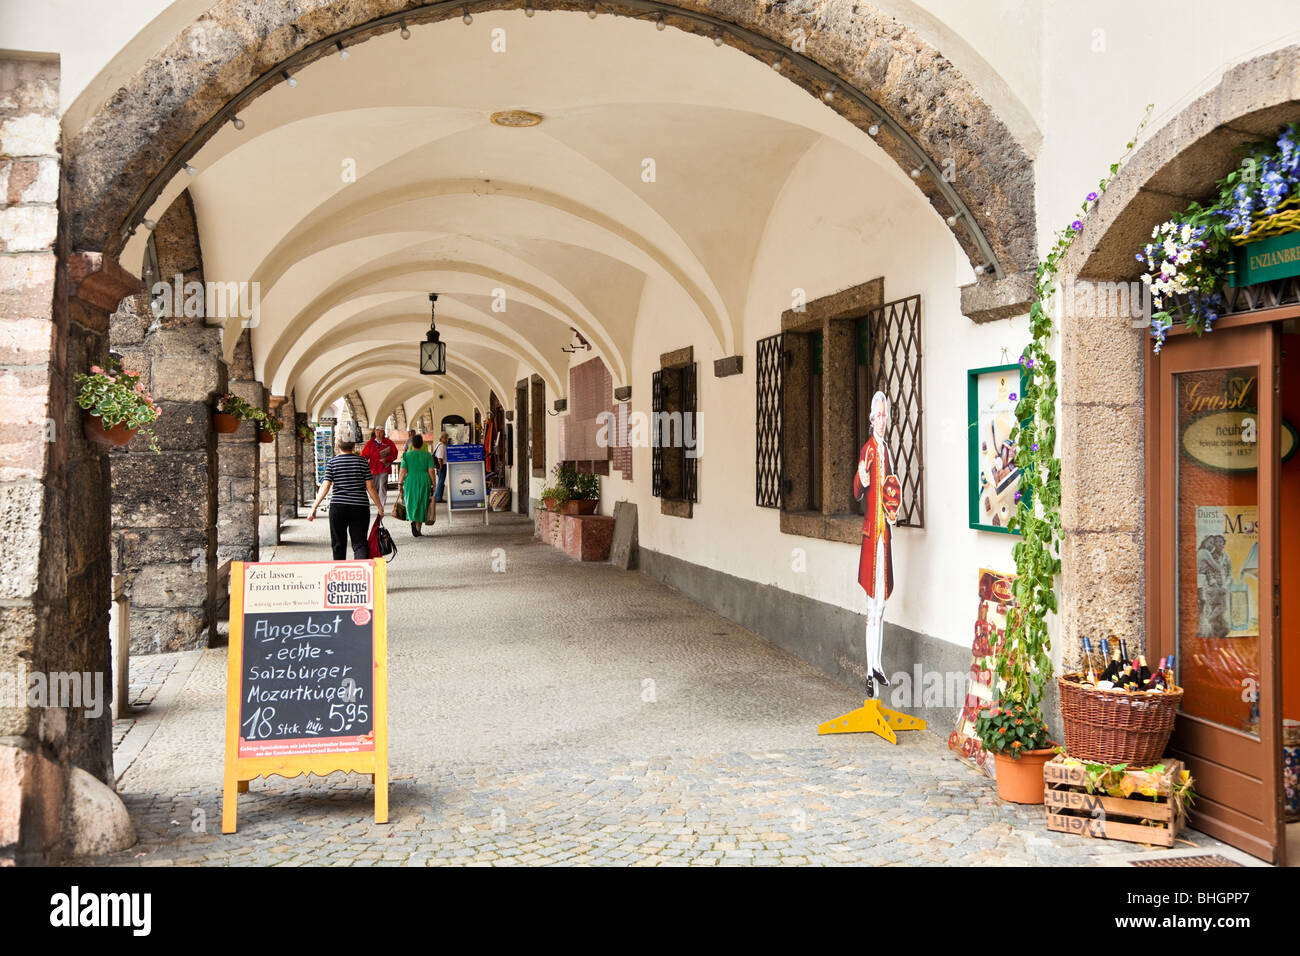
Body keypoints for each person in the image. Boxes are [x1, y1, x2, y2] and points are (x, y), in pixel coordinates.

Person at [853, 391, 900, 699]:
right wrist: (861, 476)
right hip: (873, 536)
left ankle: (878, 664)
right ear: (871, 419)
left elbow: (890, 491)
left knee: (882, 605)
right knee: (872, 606)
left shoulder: (886, 449)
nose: (882, 421)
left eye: (885, 416)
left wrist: (893, 509)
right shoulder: (869, 449)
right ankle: (869, 670)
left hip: (885, 537)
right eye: (878, 416)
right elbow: (857, 489)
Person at [309, 421, 383, 559]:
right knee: (360, 543)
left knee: (338, 543)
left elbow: (325, 486)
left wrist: (314, 507)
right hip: (360, 507)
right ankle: (360, 574)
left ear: (337, 445)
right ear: (353, 445)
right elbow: (370, 487)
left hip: (338, 507)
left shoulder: (332, 463)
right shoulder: (362, 462)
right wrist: (379, 507)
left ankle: (340, 573)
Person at [399, 433, 437, 536]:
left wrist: (400, 483)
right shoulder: (427, 455)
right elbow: (431, 471)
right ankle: (418, 529)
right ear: (421, 444)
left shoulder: (406, 455)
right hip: (424, 480)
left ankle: (412, 520)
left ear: (412, 444)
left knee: (411, 501)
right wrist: (434, 483)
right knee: (422, 503)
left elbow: (403, 471)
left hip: (410, 480)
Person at [362, 426, 398, 508]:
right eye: (377, 432)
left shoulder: (389, 442)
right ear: (375, 432)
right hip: (373, 469)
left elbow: (394, 454)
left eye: (380, 432)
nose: (379, 433)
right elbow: (364, 455)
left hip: (383, 468)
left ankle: (381, 504)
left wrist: (387, 459)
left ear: (384, 433)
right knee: (374, 487)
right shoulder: (370, 443)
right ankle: (377, 500)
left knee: (382, 486)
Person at [433, 431, 450, 502]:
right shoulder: (442, 446)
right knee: (441, 482)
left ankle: (438, 496)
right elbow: (439, 458)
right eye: (446, 438)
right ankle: (438, 497)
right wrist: (440, 467)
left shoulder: (438, 444)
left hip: (441, 465)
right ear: (442, 438)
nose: (447, 440)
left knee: (440, 481)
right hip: (442, 465)